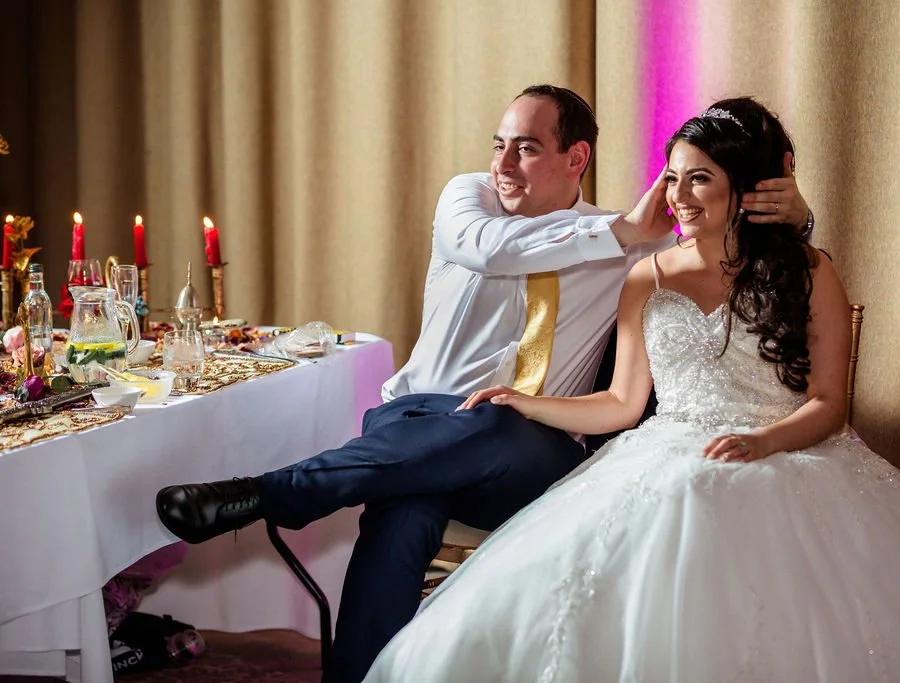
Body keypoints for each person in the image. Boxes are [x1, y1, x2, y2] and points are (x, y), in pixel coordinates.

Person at [154, 85, 811, 683]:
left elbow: (736, 263)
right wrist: (617, 232)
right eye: (500, 145)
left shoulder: (636, 250)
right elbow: (495, 250)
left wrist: (797, 219)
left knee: (496, 421)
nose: (503, 162)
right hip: (415, 423)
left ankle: (271, 491)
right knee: (401, 515)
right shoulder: (467, 201)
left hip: (529, 448)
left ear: (575, 157)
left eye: (526, 148)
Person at [361, 98, 900, 683]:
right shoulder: (645, 275)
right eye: (672, 178)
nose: (677, 195)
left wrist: (763, 440)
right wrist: (523, 399)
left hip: (791, 457)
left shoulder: (810, 271)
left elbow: (829, 402)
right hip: (664, 450)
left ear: (746, 187)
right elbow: (621, 403)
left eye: (699, 178)